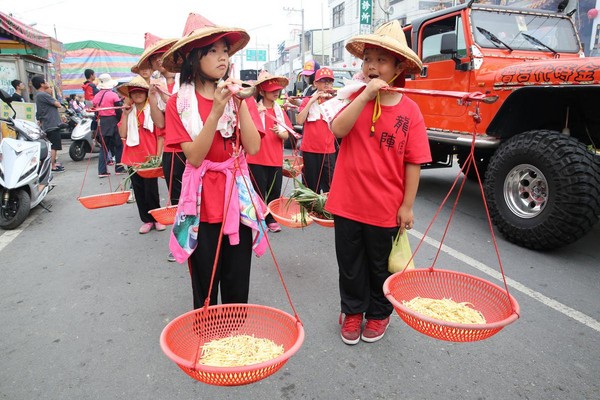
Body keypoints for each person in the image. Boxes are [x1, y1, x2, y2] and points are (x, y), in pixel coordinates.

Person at [325, 20, 432, 345]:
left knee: (379, 265)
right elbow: (337, 130)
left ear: (398, 67)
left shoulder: (410, 111)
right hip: (346, 203)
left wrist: (407, 206)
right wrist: (364, 96)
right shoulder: (353, 97)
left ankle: (379, 313)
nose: (372, 65)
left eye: (381, 60)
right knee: (350, 265)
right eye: (368, 58)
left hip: (385, 208)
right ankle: (353, 311)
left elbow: (413, 162)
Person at [161, 13, 267, 309]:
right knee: (205, 285)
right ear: (193, 58)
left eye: (225, 51)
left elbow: (254, 147)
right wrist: (216, 111)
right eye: (213, 51)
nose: (223, 58)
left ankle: (234, 344)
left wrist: (239, 102)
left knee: (237, 282)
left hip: (236, 200)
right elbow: (194, 157)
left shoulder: (235, 95)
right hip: (202, 203)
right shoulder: (178, 103)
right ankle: (208, 339)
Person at [132, 33, 181, 260]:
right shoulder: (157, 85)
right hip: (173, 149)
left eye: (164, 55)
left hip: (198, 147)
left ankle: (205, 242)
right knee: (177, 200)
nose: (160, 61)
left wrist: (167, 95)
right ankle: (180, 244)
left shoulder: (187, 79)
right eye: (155, 59)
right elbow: (160, 122)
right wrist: (153, 96)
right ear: (151, 65)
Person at [117, 76, 166, 234]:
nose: (137, 95)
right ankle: (146, 220)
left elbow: (160, 135)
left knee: (151, 190)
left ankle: (156, 218)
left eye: (140, 92)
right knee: (138, 190)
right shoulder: (128, 112)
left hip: (149, 158)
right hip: (132, 157)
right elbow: (123, 134)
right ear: (130, 95)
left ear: (146, 94)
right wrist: (125, 115)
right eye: (134, 92)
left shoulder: (152, 110)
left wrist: (158, 157)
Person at [246, 72, 292, 233]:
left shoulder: (279, 111)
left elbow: (287, 133)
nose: (276, 92)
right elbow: (244, 129)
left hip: (275, 159)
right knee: (257, 192)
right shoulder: (253, 108)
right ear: (262, 91)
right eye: (271, 89)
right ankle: (257, 219)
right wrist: (257, 113)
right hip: (256, 158)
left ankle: (271, 219)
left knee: (274, 192)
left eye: (277, 89)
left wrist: (280, 133)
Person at [295, 67, 337, 193]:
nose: (326, 84)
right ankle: (311, 212)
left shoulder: (335, 101)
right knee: (310, 187)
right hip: (309, 150)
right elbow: (299, 120)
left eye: (329, 81)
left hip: (328, 150)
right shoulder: (308, 100)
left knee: (329, 186)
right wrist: (311, 101)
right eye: (323, 81)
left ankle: (326, 212)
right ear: (315, 83)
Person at [93, 73, 126, 178]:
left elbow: (95, 112)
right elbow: (118, 111)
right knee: (119, 145)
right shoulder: (113, 95)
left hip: (102, 122)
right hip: (113, 121)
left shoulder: (96, 96)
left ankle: (102, 171)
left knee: (104, 147)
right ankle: (119, 168)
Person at [31, 75, 65, 172]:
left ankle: (52, 163)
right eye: (46, 82)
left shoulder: (38, 95)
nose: (47, 84)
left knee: (52, 145)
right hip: (51, 124)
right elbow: (58, 104)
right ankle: (52, 165)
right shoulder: (43, 95)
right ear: (42, 84)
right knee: (54, 146)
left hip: (47, 123)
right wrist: (52, 94)